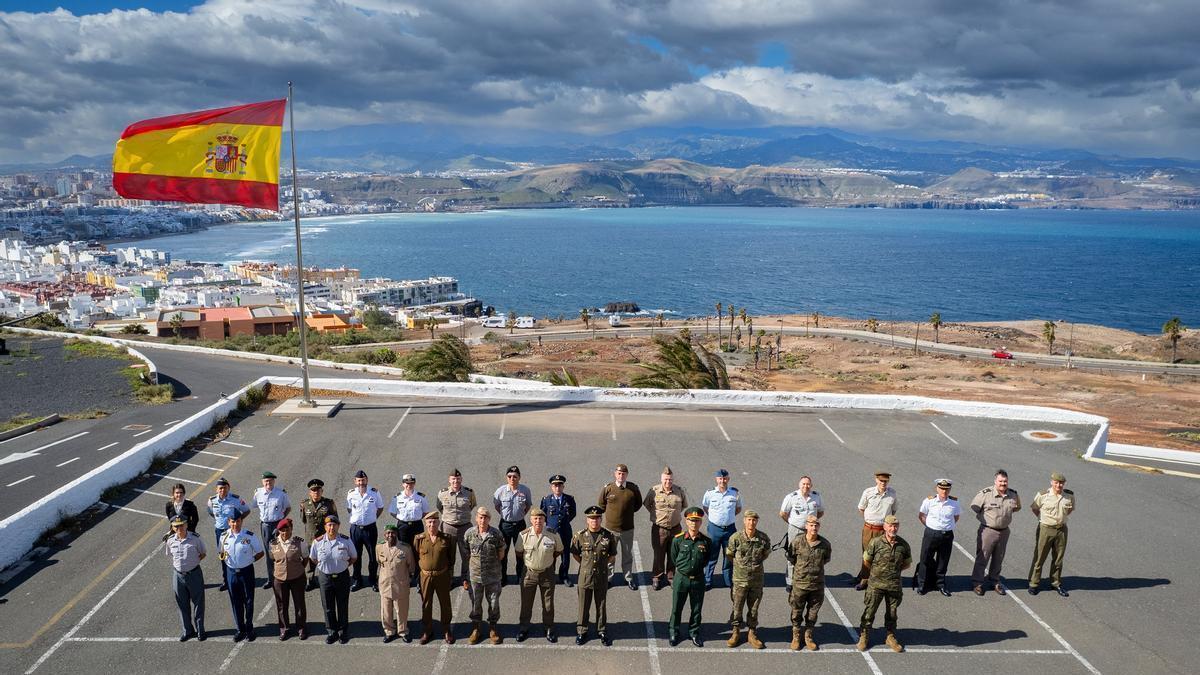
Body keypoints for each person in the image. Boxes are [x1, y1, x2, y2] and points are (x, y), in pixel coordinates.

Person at [859, 514, 911, 653]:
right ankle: (864, 635)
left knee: (892, 614)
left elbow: (907, 564)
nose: (893, 528)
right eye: (890, 525)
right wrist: (878, 573)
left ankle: (890, 636)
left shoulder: (903, 545)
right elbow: (867, 561)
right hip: (876, 584)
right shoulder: (875, 542)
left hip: (894, 585)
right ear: (885, 527)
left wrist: (893, 572)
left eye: (895, 526)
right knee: (869, 612)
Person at [570, 505, 617, 645]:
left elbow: (612, 556)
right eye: (592, 519)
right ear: (587, 520)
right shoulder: (579, 536)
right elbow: (575, 554)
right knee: (583, 605)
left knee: (601, 605)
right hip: (585, 576)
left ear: (601, 519)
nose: (594, 521)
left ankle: (601, 630)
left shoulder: (608, 536)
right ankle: (582, 631)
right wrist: (586, 565)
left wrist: (601, 565)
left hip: (601, 576)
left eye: (597, 518)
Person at [970, 469, 1021, 595]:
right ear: (995, 481)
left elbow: (1016, 507)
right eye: (1000, 481)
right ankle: (977, 583)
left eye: (1005, 481)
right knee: (983, 557)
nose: (1003, 483)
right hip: (988, 530)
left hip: (1004, 532)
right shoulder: (986, 493)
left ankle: (994, 581)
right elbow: (975, 507)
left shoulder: (1013, 494)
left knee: (999, 558)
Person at [515, 507, 563, 642]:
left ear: (544, 520)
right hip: (529, 573)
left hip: (547, 573)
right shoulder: (523, 535)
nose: (538, 521)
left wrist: (546, 562)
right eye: (535, 518)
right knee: (526, 603)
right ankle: (523, 628)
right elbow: (519, 552)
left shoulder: (553, 534)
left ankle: (549, 628)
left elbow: (558, 550)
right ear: (531, 520)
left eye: (541, 519)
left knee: (548, 604)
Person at [726, 510, 771, 649]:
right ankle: (735, 633)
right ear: (744, 521)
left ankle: (752, 634)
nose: (751, 522)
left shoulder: (763, 538)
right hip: (740, 580)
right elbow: (729, 555)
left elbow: (765, 554)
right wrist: (741, 567)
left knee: (754, 609)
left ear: (756, 521)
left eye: (754, 520)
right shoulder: (735, 538)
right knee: (737, 608)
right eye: (749, 520)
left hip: (756, 580)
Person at [669, 506, 712, 647]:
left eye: (697, 521)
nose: (694, 523)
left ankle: (694, 632)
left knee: (696, 608)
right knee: (677, 607)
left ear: (700, 522)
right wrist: (684, 570)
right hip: (681, 578)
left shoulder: (706, 541)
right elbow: (674, 558)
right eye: (691, 521)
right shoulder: (678, 540)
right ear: (686, 522)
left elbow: (706, 560)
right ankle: (674, 632)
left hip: (698, 579)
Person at [309, 514, 356, 644]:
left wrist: (343, 566)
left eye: (334, 525)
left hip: (342, 576)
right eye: (329, 525)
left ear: (338, 526)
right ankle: (331, 631)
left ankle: (342, 631)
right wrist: (323, 566)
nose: (332, 528)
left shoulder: (345, 541)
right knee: (328, 606)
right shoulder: (317, 542)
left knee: (342, 605)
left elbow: (353, 557)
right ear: (325, 527)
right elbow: (313, 558)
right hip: (325, 577)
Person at [220, 506, 264, 642]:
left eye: (238, 521)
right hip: (231, 573)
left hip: (246, 572)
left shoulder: (249, 536)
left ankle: (249, 627)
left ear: (241, 521)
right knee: (235, 601)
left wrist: (250, 560)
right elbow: (221, 553)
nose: (235, 524)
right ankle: (240, 629)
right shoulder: (224, 536)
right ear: (229, 522)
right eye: (232, 521)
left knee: (248, 601)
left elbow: (260, 552)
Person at [1028, 471, 1076, 597]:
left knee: (1058, 558)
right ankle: (1034, 583)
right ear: (1052, 482)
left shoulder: (1069, 496)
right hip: (1046, 528)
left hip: (1061, 530)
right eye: (1056, 482)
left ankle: (1055, 583)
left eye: (1061, 483)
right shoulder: (1043, 495)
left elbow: (1070, 509)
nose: (1058, 485)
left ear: (1064, 484)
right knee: (1040, 557)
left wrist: (1060, 519)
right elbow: (1034, 508)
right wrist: (1042, 518)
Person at [787, 515, 831, 651]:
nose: (814, 528)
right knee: (796, 612)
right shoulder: (797, 542)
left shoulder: (825, 544)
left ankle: (808, 636)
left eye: (816, 525)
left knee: (813, 613)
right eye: (811, 525)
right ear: (806, 526)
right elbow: (791, 558)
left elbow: (826, 560)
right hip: (800, 584)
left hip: (817, 585)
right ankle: (796, 636)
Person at [464, 506, 506, 645]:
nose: (483, 520)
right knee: (476, 603)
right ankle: (476, 628)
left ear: (489, 519)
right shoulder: (469, 533)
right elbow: (467, 552)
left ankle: (493, 628)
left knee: (494, 604)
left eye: (485, 518)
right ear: (476, 518)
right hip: (475, 576)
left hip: (493, 576)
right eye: (480, 517)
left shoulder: (496, 534)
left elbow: (501, 553)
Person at [597, 463, 643, 590]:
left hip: (627, 529)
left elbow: (638, 504)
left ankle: (628, 578)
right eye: (619, 473)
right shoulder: (608, 488)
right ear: (615, 474)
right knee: (609, 555)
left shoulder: (633, 489)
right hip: (610, 530)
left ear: (627, 475)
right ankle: (608, 579)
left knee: (627, 555)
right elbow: (601, 505)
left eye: (623, 474)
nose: (621, 476)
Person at [414, 511, 457, 644]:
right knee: (426, 603)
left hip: (442, 576)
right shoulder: (419, 538)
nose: (432, 524)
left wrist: (448, 573)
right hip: (425, 576)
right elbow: (416, 557)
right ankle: (427, 630)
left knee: (445, 603)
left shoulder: (447, 538)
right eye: (429, 522)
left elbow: (452, 558)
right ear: (426, 524)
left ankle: (446, 629)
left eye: (434, 522)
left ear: (438, 523)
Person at [643, 465, 688, 591]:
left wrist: (674, 516)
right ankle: (657, 576)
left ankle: (671, 576)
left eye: (670, 480)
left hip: (675, 528)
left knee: (673, 553)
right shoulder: (654, 491)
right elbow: (647, 504)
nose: (668, 482)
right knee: (659, 554)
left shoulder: (679, 491)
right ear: (661, 479)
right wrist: (657, 516)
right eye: (665, 480)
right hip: (659, 529)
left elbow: (684, 505)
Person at [915, 478, 960, 596]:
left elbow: (956, 517)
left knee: (943, 560)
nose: (944, 491)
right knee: (925, 558)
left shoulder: (954, 502)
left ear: (950, 489)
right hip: (931, 533)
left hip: (947, 535)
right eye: (941, 488)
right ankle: (922, 584)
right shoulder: (929, 501)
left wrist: (946, 526)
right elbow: (921, 515)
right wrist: (931, 526)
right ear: (937, 488)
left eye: (946, 489)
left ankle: (940, 584)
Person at [778, 475, 823, 592]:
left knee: (809, 555)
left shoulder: (816, 497)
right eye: (803, 484)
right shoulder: (791, 497)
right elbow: (783, 513)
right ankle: (790, 582)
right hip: (795, 529)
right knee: (792, 555)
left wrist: (811, 524)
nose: (806, 486)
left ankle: (805, 579)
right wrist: (792, 522)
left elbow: (820, 512)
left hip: (810, 531)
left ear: (811, 485)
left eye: (808, 484)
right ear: (799, 485)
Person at [164, 516, 206, 642]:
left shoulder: (195, 538)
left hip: (194, 574)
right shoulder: (170, 541)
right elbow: (170, 555)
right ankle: (187, 630)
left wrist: (192, 563)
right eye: (176, 526)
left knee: (198, 603)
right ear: (172, 527)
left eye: (181, 525)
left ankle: (200, 630)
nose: (179, 528)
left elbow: (203, 553)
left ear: (186, 525)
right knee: (182, 604)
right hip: (178, 575)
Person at [855, 470, 897, 591]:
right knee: (866, 554)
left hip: (883, 530)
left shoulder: (892, 494)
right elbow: (861, 508)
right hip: (869, 528)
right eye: (881, 481)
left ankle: (876, 578)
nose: (883, 483)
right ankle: (864, 579)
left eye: (885, 481)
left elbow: (893, 510)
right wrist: (871, 519)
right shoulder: (868, 492)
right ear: (876, 480)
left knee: (881, 555)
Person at [701, 468, 742, 590]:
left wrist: (728, 518)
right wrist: (716, 519)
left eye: (724, 478)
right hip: (714, 529)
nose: (722, 481)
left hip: (729, 529)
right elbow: (705, 507)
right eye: (720, 479)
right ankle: (707, 580)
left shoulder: (734, 493)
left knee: (729, 555)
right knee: (711, 555)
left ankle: (727, 579)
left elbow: (738, 508)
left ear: (728, 479)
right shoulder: (710, 493)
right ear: (716, 479)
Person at [269, 518, 308, 640]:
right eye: (282, 530)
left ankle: (301, 627)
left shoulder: (300, 543)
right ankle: (284, 628)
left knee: (299, 604)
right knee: (281, 605)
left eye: (287, 530)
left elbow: (305, 558)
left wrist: (298, 569)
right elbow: (272, 559)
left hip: (297, 578)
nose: (284, 533)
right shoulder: (273, 544)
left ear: (291, 529)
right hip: (280, 579)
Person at [346, 469, 385, 591]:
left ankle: (373, 580)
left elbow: (380, 507)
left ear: (366, 480)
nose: (361, 482)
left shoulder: (374, 492)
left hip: (370, 529)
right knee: (356, 555)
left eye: (363, 480)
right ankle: (357, 580)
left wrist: (372, 518)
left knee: (372, 556)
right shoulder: (351, 494)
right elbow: (349, 509)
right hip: (356, 529)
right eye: (359, 480)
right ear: (355, 481)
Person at [493, 465, 532, 585]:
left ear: (519, 477)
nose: (512, 478)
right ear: (506, 477)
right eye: (509, 476)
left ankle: (520, 575)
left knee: (520, 552)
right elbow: (497, 506)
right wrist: (506, 517)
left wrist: (519, 515)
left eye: (515, 476)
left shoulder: (525, 490)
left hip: (520, 525)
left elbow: (528, 506)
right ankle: (502, 577)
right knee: (502, 552)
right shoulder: (500, 491)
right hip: (505, 525)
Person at [436, 468, 476, 583]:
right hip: (449, 527)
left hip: (465, 527)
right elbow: (440, 507)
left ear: (461, 479)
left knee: (467, 554)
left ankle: (465, 578)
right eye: (453, 479)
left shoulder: (469, 492)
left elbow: (472, 505)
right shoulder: (442, 493)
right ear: (449, 480)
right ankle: (449, 578)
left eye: (458, 479)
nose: (456, 481)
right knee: (448, 555)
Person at [377, 523, 415, 643]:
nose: (390, 535)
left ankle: (403, 631)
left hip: (401, 584)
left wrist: (407, 578)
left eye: (393, 533)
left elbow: (411, 566)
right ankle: (389, 631)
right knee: (386, 611)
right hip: (385, 584)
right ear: (384, 535)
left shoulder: (405, 548)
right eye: (388, 533)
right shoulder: (379, 547)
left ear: (396, 534)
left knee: (401, 610)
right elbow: (379, 562)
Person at [254, 471, 292, 590]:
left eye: (270, 481)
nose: (268, 483)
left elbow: (288, 507)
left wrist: (281, 520)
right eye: (266, 481)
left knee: (281, 550)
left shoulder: (281, 494)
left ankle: (284, 575)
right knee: (269, 552)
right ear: (262, 482)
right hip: (265, 525)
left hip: (278, 524)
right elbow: (255, 506)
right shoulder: (258, 493)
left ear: (274, 481)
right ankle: (271, 579)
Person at [207, 477, 245, 592]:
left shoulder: (236, 499)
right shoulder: (212, 501)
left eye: (224, 488)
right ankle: (226, 580)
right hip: (219, 531)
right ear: (216, 489)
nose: (222, 490)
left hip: (232, 531)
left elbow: (246, 510)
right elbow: (210, 512)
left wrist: (237, 522)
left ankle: (239, 578)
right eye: (220, 488)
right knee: (223, 556)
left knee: (235, 554)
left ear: (228, 488)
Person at [299, 478, 337, 591]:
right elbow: (304, 520)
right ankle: (310, 580)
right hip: (311, 538)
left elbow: (334, 520)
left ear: (322, 491)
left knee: (325, 558)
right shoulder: (305, 504)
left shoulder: (329, 503)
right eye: (313, 490)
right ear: (310, 492)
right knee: (311, 560)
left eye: (318, 490)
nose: (316, 492)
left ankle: (328, 578)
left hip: (325, 537)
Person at [540, 474, 576, 586]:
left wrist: (564, 522)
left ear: (563, 487)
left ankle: (564, 576)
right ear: (552, 487)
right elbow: (542, 514)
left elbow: (573, 513)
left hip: (565, 531)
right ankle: (550, 576)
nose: (557, 488)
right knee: (550, 555)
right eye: (555, 485)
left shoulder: (569, 499)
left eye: (560, 485)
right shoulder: (546, 500)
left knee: (565, 555)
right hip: (551, 532)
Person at [389, 473, 430, 549]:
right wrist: (402, 518)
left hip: (417, 525)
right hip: (402, 526)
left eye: (411, 483)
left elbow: (426, 511)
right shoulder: (397, 497)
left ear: (414, 483)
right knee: (403, 548)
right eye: (407, 483)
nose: (409, 485)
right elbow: (392, 512)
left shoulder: (421, 497)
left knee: (418, 547)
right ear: (403, 484)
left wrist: (418, 517)